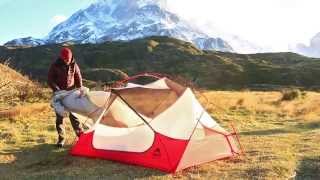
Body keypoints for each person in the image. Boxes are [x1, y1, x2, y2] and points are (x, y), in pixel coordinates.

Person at [48, 47, 84, 148]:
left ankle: (81, 137)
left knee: (74, 116)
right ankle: (61, 139)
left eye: (68, 59)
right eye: (65, 60)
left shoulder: (74, 64)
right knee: (60, 118)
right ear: (62, 57)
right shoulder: (55, 65)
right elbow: (50, 80)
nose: (67, 61)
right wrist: (57, 89)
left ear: (71, 57)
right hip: (59, 93)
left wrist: (80, 88)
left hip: (71, 93)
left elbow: (78, 76)